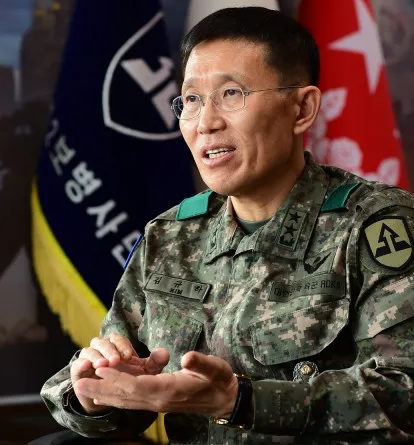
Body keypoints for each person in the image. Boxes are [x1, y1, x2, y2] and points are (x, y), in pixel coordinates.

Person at [41, 6, 414, 445]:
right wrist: (94, 393)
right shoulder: (170, 235)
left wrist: (240, 401)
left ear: (302, 108)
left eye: (232, 94)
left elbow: (404, 393)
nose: (206, 123)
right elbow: (102, 381)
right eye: (191, 100)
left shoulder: (376, 225)